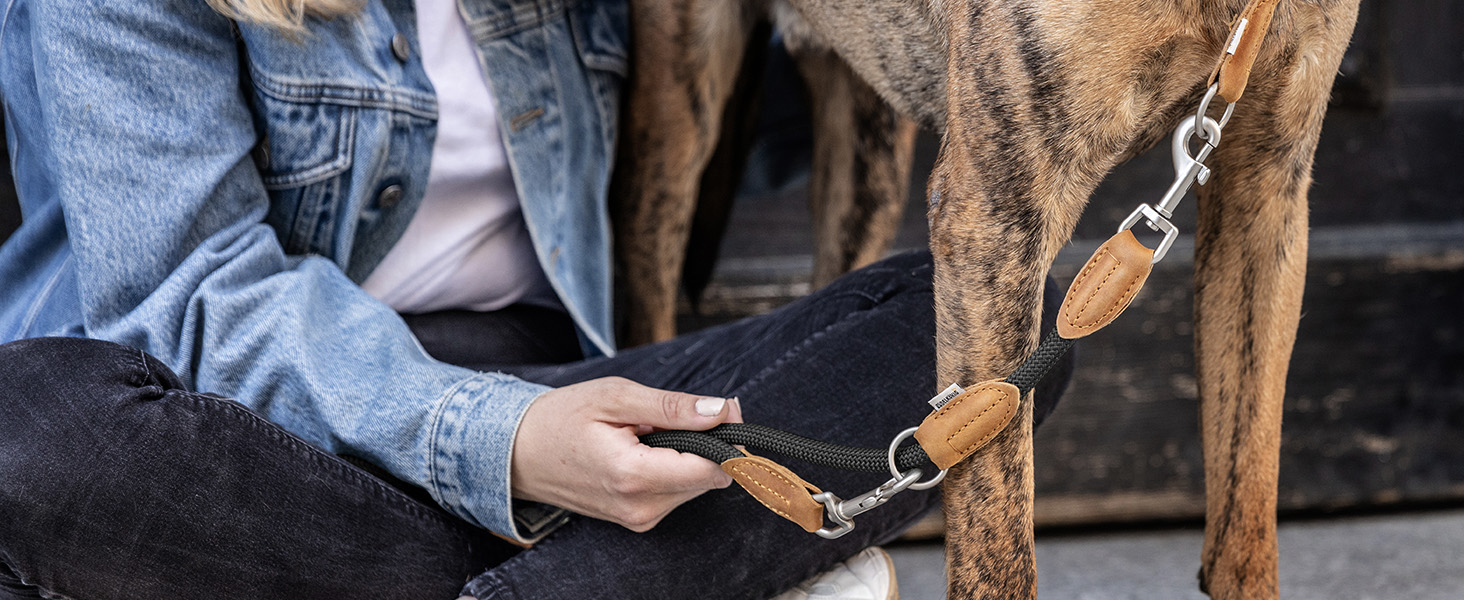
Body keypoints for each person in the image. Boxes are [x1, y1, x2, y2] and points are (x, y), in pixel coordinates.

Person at [0, 0, 1071, 598]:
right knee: (28, 431)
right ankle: (653, 587)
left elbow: (753, 135)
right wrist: (505, 446)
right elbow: (188, 303)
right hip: (236, 423)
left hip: (549, 384)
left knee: (986, 330)